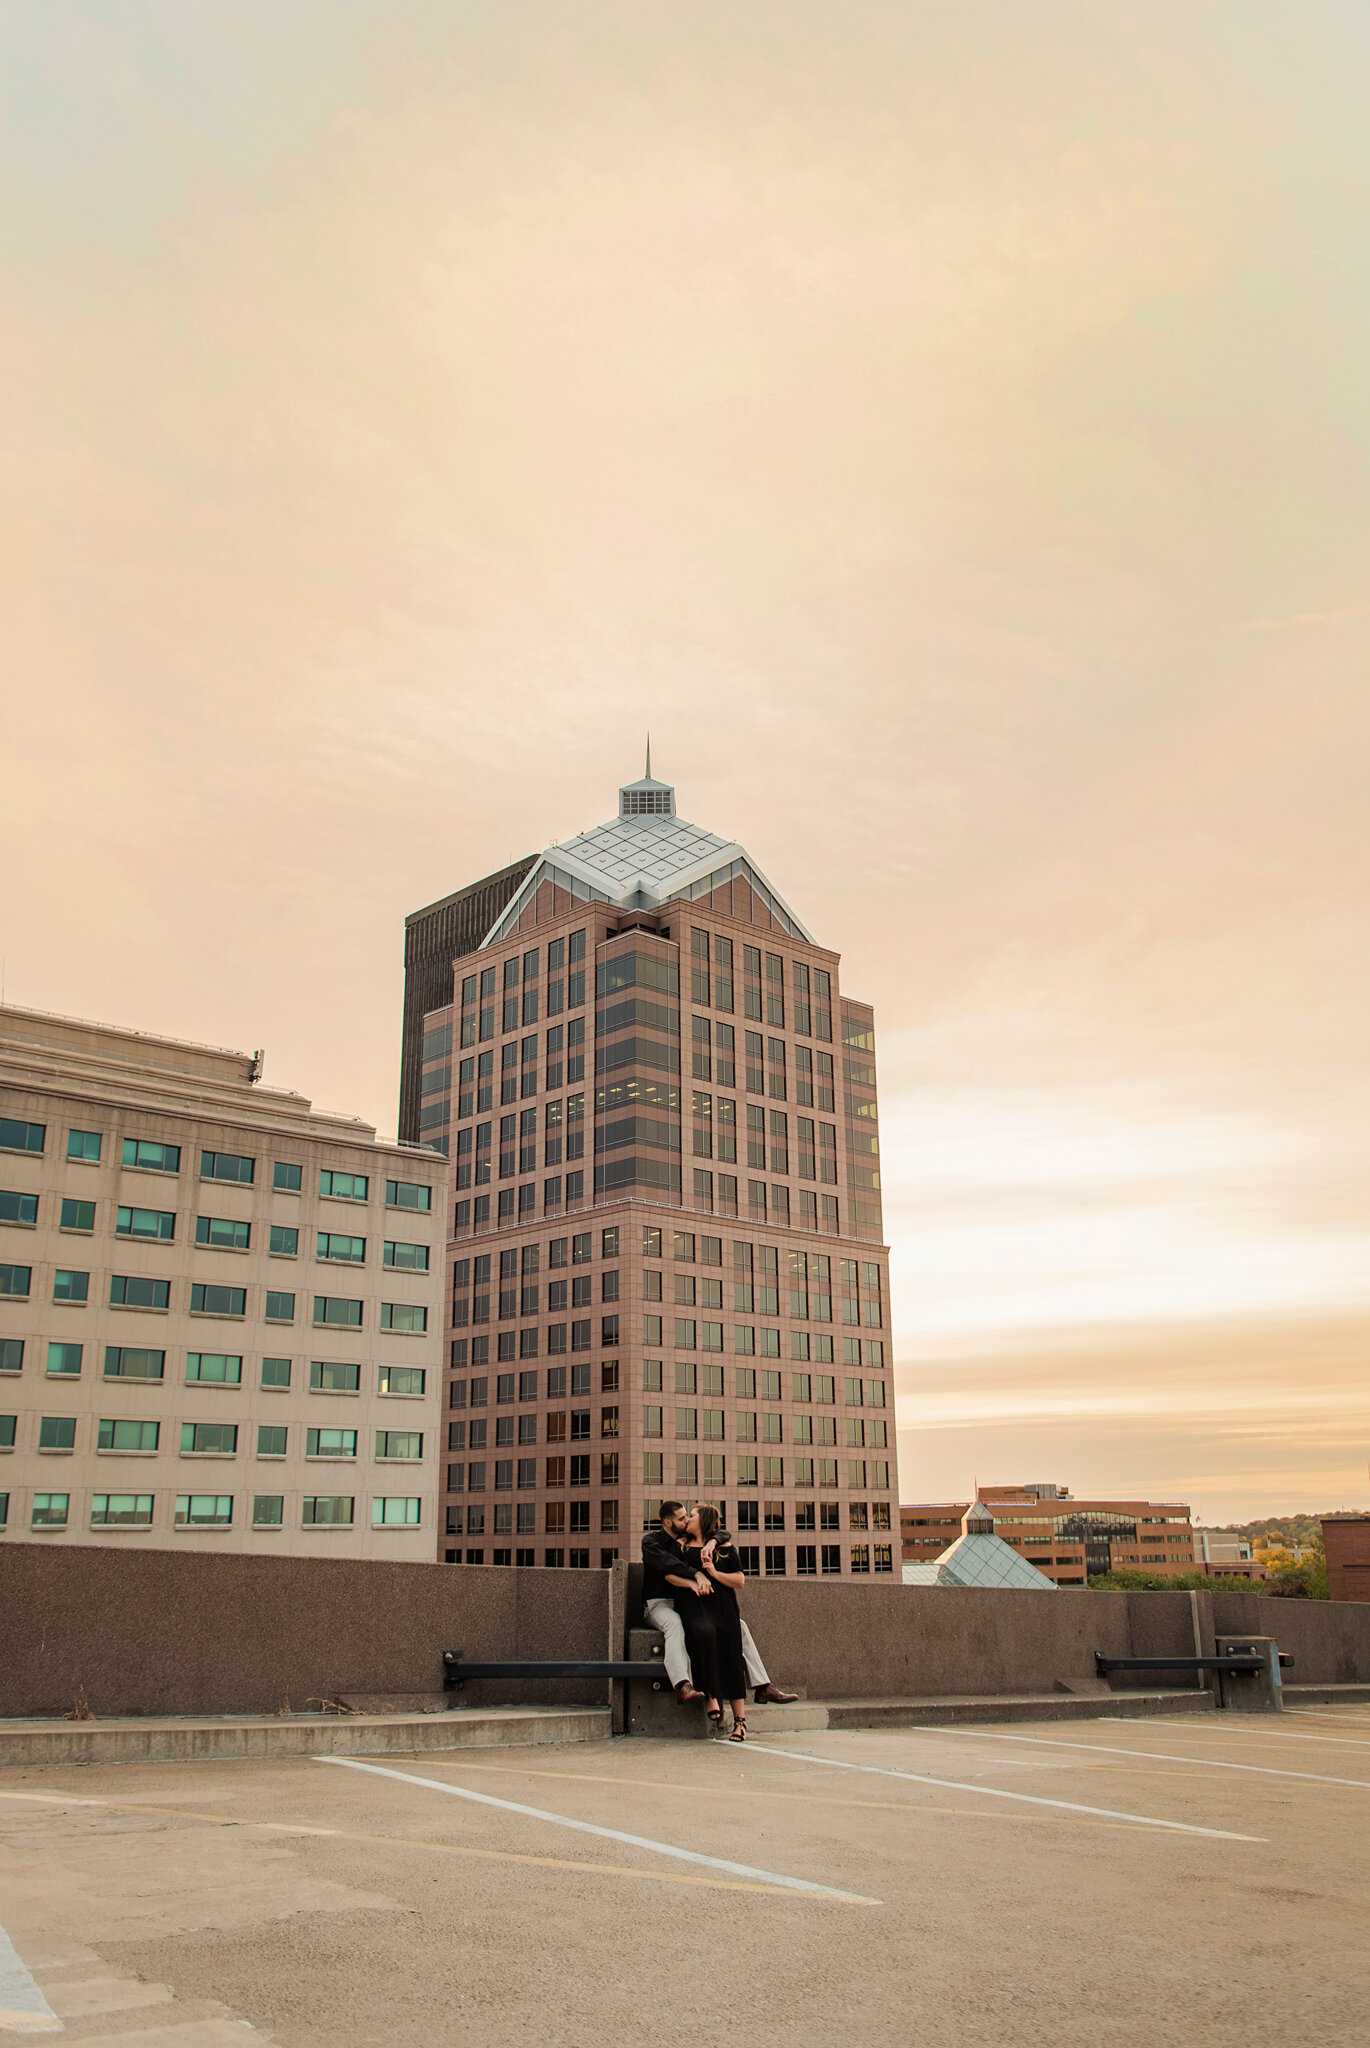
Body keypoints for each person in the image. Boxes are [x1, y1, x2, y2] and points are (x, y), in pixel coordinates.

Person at [640, 1500, 799, 1708]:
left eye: (688, 1515)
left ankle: (762, 1685)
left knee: (737, 1625)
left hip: (685, 1603)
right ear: (668, 1523)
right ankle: (682, 1685)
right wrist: (695, 1575)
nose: (687, 1520)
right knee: (674, 1625)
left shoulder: (686, 1538)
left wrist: (712, 1542)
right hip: (658, 1604)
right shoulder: (652, 1542)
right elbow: (668, 1565)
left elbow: (722, 1533)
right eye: (681, 1518)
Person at [670, 1503, 749, 1739]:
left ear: (703, 1520)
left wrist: (714, 1574)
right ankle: (711, 1696)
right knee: (702, 1634)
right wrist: (695, 1582)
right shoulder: (681, 1547)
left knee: (731, 1654)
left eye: (692, 1516)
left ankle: (740, 1722)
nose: (687, 1520)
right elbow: (670, 1575)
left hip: (723, 1606)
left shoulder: (723, 1547)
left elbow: (739, 1580)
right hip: (694, 1604)